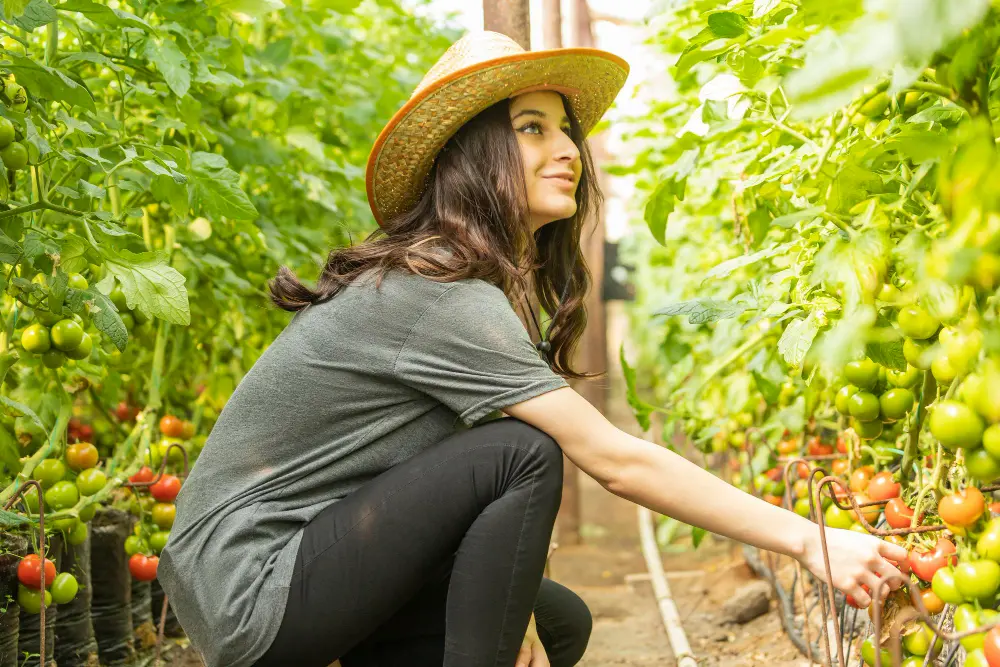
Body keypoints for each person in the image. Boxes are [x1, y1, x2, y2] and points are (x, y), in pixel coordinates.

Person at [157, 30, 908, 667]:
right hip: (253, 584)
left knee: (557, 621)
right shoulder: (441, 296)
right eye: (531, 128)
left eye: (564, 129)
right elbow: (614, 460)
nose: (567, 149)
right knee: (526, 451)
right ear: (474, 155)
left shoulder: (453, 284)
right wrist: (807, 539)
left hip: (278, 567)